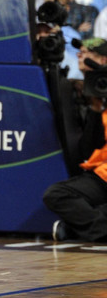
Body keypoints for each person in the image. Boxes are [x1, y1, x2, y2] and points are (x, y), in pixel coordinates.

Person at [44, 37, 107, 242]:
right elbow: (88, 150)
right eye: (79, 51)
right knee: (57, 195)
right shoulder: (77, 89)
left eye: (88, 52)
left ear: (103, 60)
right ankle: (97, 227)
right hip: (101, 174)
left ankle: (78, 228)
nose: (80, 55)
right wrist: (95, 108)